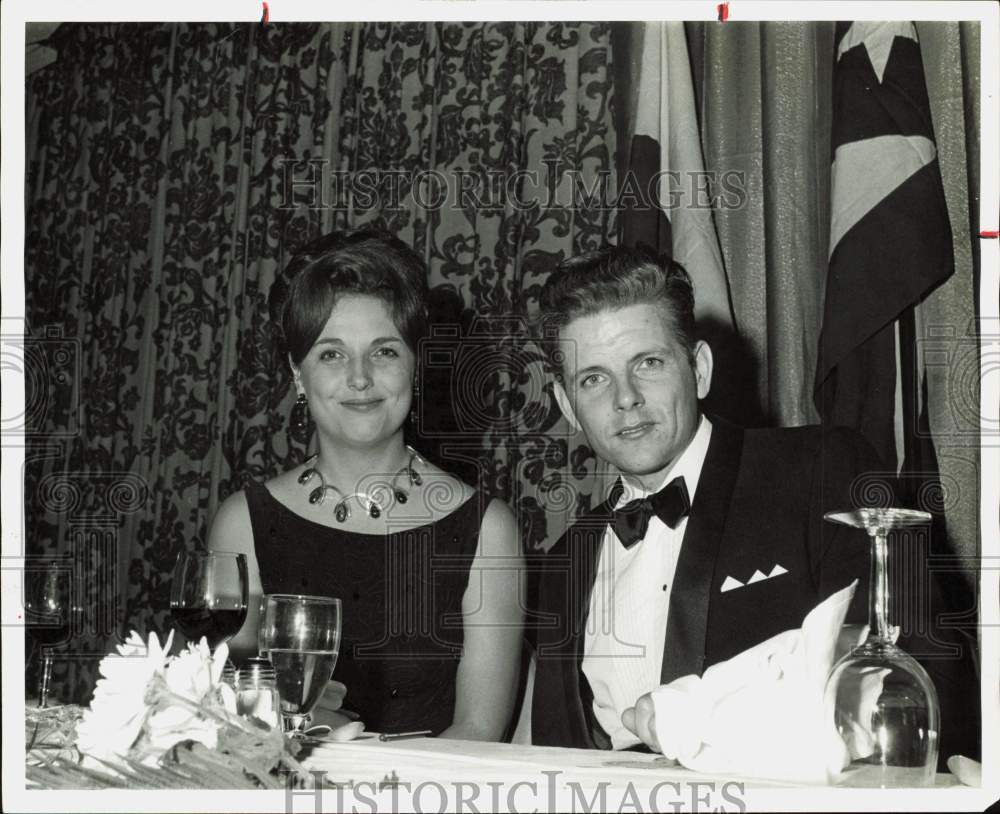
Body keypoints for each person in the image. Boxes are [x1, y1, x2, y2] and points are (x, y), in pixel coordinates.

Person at [528, 244, 974, 756]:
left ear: (698, 370)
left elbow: (919, 676)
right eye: (594, 378)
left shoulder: (821, 471)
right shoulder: (564, 561)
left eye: (648, 362)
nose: (625, 397)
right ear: (566, 404)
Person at [208, 227, 524, 741]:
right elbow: (229, 712)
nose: (360, 377)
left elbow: (478, 730)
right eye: (331, 354)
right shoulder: (243, 521)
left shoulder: (487, 528)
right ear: (297, 372)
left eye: (384, 352)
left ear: (415, 366)